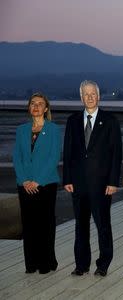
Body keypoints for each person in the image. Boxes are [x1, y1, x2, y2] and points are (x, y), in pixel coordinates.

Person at [63, 80, 122, 277]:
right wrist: (67, 179)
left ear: (98, 96)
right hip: (78, 184)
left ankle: (103, 264)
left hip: (102, 184)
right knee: (81, 226)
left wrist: (114, 181)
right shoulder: (72, 121)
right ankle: (81, 264)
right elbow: (68, 152)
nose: (89, 97)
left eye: (93, 94)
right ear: (81, 97)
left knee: (103, 225)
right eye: (85, 94)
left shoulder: (110, 120)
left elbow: (116, 154)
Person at [13, 92, 61, 274]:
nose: (36, 106)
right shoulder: (21, 130)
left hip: (46, 183)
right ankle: (31, 264)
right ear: (29, 107)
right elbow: (17, 157)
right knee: (29, 224)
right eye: (33, 103)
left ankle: (46, 263)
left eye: (40, 104)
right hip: (24, 184)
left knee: (45, 224)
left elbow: (53, 157)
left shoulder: (54, 129)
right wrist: (25, 180)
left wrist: (38, 181)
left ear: (46, 108)